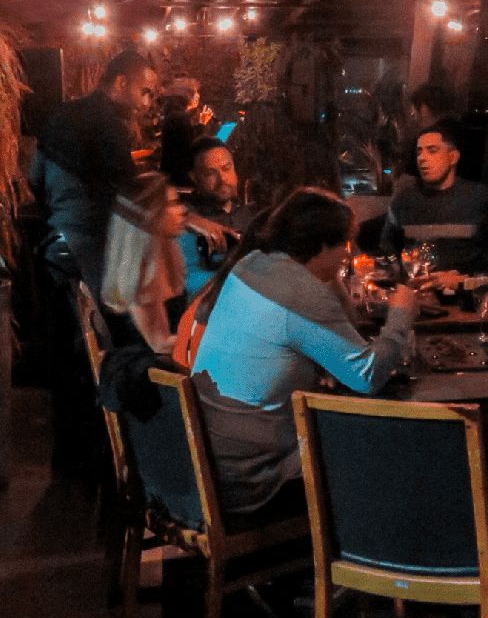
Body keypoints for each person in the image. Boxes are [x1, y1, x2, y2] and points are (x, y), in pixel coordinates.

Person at [190, 187, 418, 517]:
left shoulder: (251, 264)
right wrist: (400, 317)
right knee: (384, 443)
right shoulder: (301, 290)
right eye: (345, 244)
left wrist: (328, 278)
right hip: (256, 476)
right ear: (323, 245)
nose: (347, 254)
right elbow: (366, 375)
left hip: (213, 458)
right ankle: (373, 541)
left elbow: (330, 333)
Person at [31, 49, 159, 300]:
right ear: (121, 82)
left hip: (52, 243)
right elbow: (130, 194)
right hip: (89, 247)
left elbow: (36, 176)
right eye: (144, 92)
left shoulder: (62, 112)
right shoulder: (108, 123)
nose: (147, 104)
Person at [380, 117, 488, 277]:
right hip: (418, 288)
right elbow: (388, 249)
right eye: (419, 152)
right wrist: (397, 277)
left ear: (453, 157)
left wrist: (468, 278)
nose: (422, 158)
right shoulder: (403, 202)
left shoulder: (480, 197)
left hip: (465, 289)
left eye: (432, 150)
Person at [101, 172, 187, 354]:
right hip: (152, 367)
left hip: (176, 358)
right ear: (150, 216)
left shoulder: (166, 257)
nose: (182, 210)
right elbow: (160, 345)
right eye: (172, 204)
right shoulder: (139, 278)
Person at [179, 137, 255, 298]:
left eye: (227, 168)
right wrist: (187, 219)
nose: (223, 179)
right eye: (210, 173)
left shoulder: (249, 213)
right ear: (194, 177)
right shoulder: (186, 222)